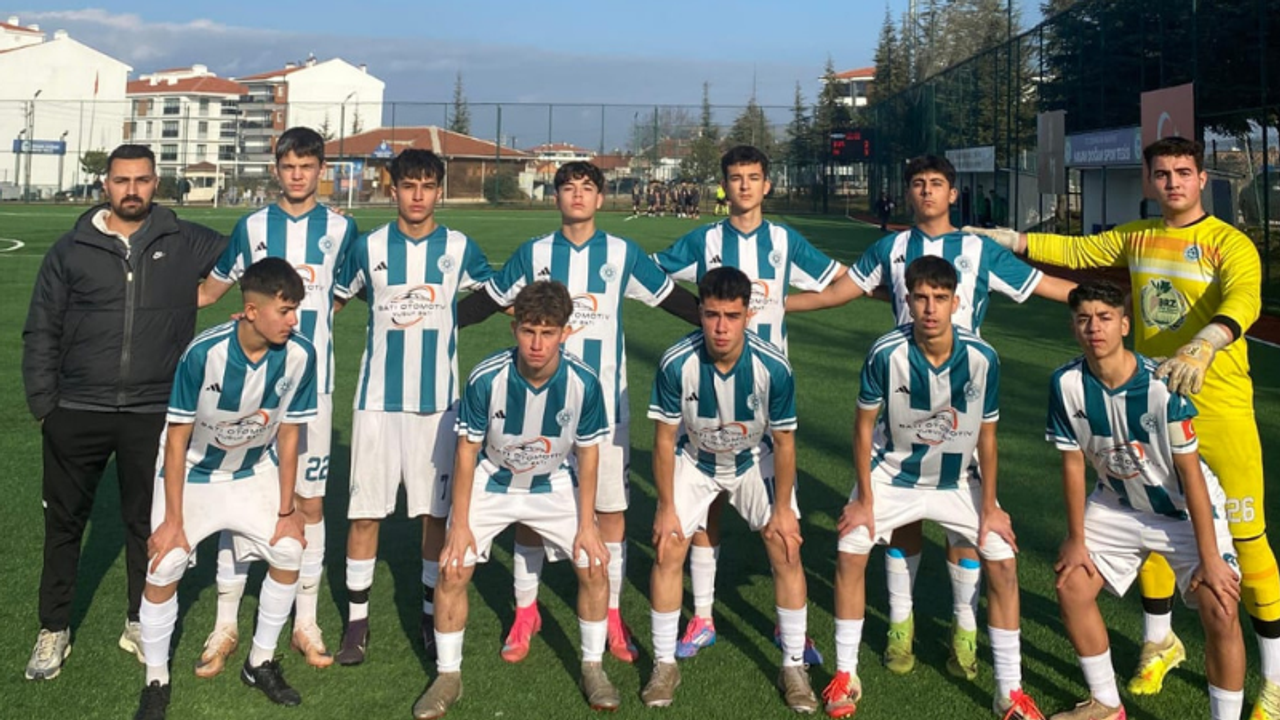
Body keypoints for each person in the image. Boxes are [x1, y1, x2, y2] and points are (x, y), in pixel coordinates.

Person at [965, 136, 1280, 718]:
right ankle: (1159, 642)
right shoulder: (1137, 237)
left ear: (1202, 179)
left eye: (1183, 172)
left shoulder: (1228, 242)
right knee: (1151, 517)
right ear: (1149, 181)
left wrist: (1206, 343)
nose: (1173, 183)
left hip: (1220, 408)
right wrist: (1014, 240)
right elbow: (1080, 251)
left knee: (1247, 539)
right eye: (1162, 174)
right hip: (1153, 405)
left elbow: (1244, 300)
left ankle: (1275, 679)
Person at [787, 154, 1076, 682]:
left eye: (936, 183)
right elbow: (835, 294)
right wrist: (770, 306)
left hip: (964, 397)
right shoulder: (891, 248)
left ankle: (964, 627)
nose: (926, 191)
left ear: (952, 193)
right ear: (908, 192)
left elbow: (1045, 286)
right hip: (903, 396)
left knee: (964, 527)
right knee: (905, 519)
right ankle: (901, 624)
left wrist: (1111, 304)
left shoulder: (978, 250)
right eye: (918, 183)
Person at [457, 160, 700, 664]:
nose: (577, 196)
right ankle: (526, 610)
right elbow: (490, 300)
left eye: (587, 188)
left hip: (604, 405)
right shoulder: (534, 253)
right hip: (538, 406)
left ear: (600, 197)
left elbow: (671, 297)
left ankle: (610, 613)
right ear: (556, 197)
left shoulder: (622, 253)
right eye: (568, 188)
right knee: (528, 504)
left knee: (610, 512)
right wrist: (439, 322)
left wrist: (726, 319)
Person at [22, 144, 226, 682]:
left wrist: (210, 293)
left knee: (146, 523)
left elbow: (253, 252)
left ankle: (139, 619)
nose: (131, 190)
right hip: (76, 410)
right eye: (121, 180)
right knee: (64, 525)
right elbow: (41, 328)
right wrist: (46, 407)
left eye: (141, 180)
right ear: (105, 185)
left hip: (153, 410)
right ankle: (53, 628)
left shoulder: (184, 240)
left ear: (156, 182)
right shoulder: (70, 249)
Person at [823, 256, 1046, 720]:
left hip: (958, 479)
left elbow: (988, 436)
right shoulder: (886, 352)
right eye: (921, 298)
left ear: (956, 302)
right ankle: (846, 674)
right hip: (893, 474)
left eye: (940, 298)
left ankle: (1009, 690)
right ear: (907, 300)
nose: (930, 308)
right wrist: (864, 500)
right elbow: (863, 428)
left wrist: (991, 507)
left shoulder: (983, 357)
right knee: (850, 547)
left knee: (1003, 561)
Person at [652, 145, 840, 663]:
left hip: (765, 395)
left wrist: (785, 303)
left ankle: (789, 629)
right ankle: (703, 617)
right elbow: (654, 275)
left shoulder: (784, 240)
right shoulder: (704, 239)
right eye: (735, 178)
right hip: (706, 390)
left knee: (783, 526)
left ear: (766, 184)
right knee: (704, 510)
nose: (744, 186)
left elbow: (836, 281)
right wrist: (696, 314)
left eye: (753, 177)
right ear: (724, 185)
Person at [193, 126, 358, 676]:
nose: (297, 175)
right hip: (252, 391)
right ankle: (226, 622)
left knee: (310, 501)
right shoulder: (252, 227)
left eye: (307, 166)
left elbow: (338, 299)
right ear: (276, 169)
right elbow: (212, 291)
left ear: (321, 171)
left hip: (314, 389)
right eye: (289, 166)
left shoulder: (343, 230)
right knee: (237, 495)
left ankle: (305, 620)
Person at [412, 280, 618, 719]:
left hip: (553, 482)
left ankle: (592, 666)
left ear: (565, 332)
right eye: (528, 331)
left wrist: (587, 525)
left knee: (594, 563)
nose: (537, 344)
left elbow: (588, 454)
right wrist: (459, 524)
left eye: (548, 332)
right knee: (453, 567)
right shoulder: (487, 377)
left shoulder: (584, 382)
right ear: (514, 330)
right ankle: (447, 675)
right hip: (494, 480)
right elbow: (466, 451)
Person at [1045, 279, 1244, 720]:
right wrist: (1076, 539)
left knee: (1221, 604)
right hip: (1116, 505)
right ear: (1074, 327)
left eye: (1105, 318)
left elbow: (1192, 476)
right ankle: (1106, 704)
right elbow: (1073, 465)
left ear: (1124, 325)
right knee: (1071, 584)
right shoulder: (1065, 384)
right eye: (1084, 319)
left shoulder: (1162, 385)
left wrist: (1211, 558)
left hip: (1183, 510)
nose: (1094, 328)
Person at [132, 257, 318, 720]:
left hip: (252, 471)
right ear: (251, 311)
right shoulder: (203, 353)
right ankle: (156, 680)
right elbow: (176, 439)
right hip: (194, 474)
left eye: (295, 310)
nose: (293, 321)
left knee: (289, 550)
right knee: (165, 563)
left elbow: (289, 435)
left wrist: (287, 509)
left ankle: (260, 662)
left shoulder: (301, 355)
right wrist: (174, 521)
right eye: (285, 310)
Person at [332, 148, 493, 665]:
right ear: (393, 189)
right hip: (376, 403)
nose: (418, 195)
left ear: (438, 191)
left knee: (433, 515)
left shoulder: (459, 247)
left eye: (427, 185)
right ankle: (357, 623)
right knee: (364, 514)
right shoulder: (369, 246)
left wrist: (450, 318)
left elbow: (497, 294)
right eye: (409, 185)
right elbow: (335, 300)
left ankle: (428, 612)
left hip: (439, 406)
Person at [642, 266, 817, 712]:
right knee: (668, 545)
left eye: (732, 316)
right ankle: (664, 664)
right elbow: (663, 440)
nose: (721, 327)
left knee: (786, 545)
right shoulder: (676, 362)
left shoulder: (772, 367)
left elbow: (784, 442)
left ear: (747, 315)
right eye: (712, 315)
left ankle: (793, 665)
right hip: (695, 459)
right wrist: (665, 507)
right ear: (700, 312)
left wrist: (783, 509)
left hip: (751, 458)